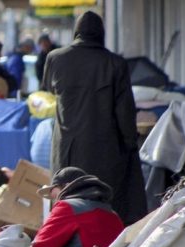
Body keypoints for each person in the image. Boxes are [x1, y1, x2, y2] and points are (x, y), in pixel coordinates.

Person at [41, 11, 147, 225]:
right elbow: (125, 112)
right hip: (105, 152)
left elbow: (49, 90)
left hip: (66, 152)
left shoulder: (55, 58)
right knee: (105, 207)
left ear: (76, 32)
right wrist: (130, 144)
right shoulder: (116, 63)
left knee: (68, 205)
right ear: (101, 33)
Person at [33, 167, 124, 247]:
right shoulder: (113, 215)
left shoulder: (67, 207)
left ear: (66, 187)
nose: (55, 200)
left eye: (54, 194)